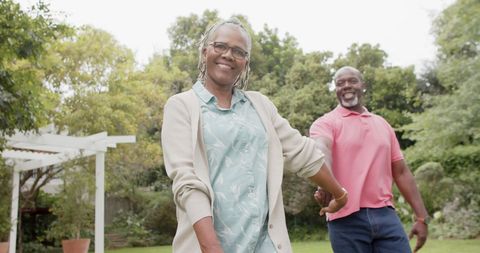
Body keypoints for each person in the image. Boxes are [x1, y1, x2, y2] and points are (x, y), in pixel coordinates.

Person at [161, 19, 348, 253]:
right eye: (220, 46)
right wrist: (212, 248)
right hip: (211, 245)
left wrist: (339, 193)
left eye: (239, 51)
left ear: (245, 61)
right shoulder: (181, 107)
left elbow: (301, 152)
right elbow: (188, 183)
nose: (228, 55)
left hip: (266, 245)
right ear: (205, 50)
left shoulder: (259, 105)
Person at [309, 66, 429, 253]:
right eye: (340, 83)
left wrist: (421, 218)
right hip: (345, 218)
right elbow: (322, 149)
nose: (346, 86)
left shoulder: (383, 124)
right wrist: (325, 184)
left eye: (352, 81)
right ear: (336, 90)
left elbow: (402, 172)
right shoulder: (325, 123)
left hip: (386, 216)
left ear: (362, 86)